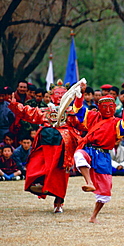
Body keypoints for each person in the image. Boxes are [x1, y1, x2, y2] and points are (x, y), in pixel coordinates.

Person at [8, 79, 86, 213]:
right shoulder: (45, 110)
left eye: (63, 93)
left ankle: (59, 201)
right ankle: (38, 184)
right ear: (51, 95)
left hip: (62, 145)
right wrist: (15, 104)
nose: (60, 96)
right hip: (45, 142)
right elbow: (29, 113)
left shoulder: (71, 111)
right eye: (57, 93)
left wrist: (80, 95)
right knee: (37, 164)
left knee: (60, 174)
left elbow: (81, 121)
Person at [73, 90, 124, 223]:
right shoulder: (92, 116)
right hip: (89, 150)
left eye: (111, 107)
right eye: (104, 107)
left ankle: (93, 216)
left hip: (104, 155)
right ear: (99, 107)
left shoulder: (116, 122)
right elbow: (78, 110)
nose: (108, 110)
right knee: (78, 155)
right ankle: (88, 182)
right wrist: (79, 95)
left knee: (105, 191)